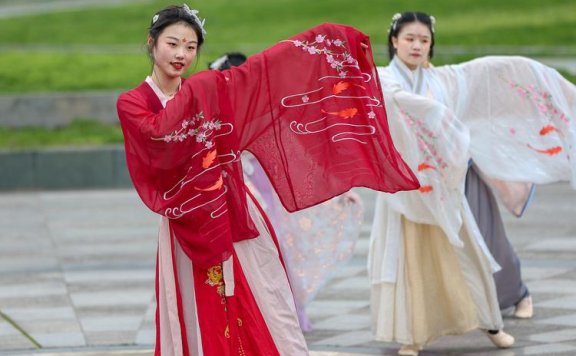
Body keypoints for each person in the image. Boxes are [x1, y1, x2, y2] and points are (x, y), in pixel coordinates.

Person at [116, 5, 420, 355]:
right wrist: (200, 91)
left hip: (233, 206)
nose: (182, 54)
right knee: (202, 306)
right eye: (173, 44)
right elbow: (157, 137)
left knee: (262, 295)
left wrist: (322, 44)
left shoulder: (209, 88)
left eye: (190, 46)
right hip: (187, 218)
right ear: (152, 43)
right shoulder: (135, 102)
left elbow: (262, 77)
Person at [369, 11, 576, 356]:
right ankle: (414, 334)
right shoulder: (382, 79)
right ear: (394, 41)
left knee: (476, 251)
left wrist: (537, 77)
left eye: (424, 40)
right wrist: (432, 112)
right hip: (407, 188)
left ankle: (492, 321)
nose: (417, 45)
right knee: (412, 259)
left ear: (431, 44)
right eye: (410, 39)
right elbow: (391, 102)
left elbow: (489, 73)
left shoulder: (443, 81)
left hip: (449, 182)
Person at [209, 51, 365, 333]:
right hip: (226, 197)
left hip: (265, 196)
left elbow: (299, 157)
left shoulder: (265, 115)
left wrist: (337, 190)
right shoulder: (213, 118)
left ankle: (274, 320)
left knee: (272, 251)